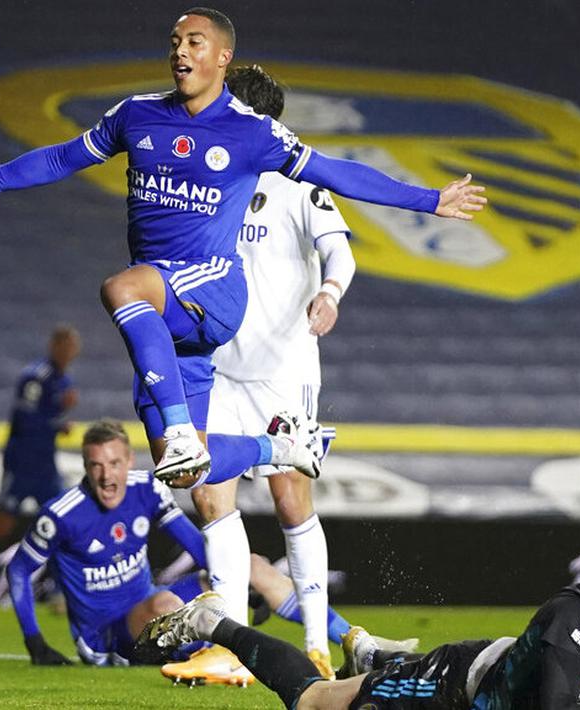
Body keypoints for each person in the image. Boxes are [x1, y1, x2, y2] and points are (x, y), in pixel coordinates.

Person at [0, 7, 487, 492]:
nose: (180, 51)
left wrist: (430, 200)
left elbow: (335, 171)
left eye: (195, 41)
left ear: (222, 59)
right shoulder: (135, 116)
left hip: (212, 287)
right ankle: (281, 444)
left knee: (120, 288)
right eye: (175, 40)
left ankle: (185, 427)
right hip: (165, 313)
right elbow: (60, 157)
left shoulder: (252, 130)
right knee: (182, 467)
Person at [137, 517, 580, 710]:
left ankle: (372, 655)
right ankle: (212, 621)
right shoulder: (571, 617)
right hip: (456, 687)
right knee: (316, 702)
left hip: (491, 681)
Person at [6, 420, 413, 683]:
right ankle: (222, 651)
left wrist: (235, 580)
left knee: (252, 566)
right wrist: (34, 643)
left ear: (128, 460)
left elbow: (199, 549)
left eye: (114, 463)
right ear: (85, 466)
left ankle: (356, 643)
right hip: (107, 635)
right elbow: (20, 571)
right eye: (95, 465)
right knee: (165, 601)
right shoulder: (61, 515)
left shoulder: (145, 489)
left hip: (154, 606)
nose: (106, 474)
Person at [191, 63, 354, 679]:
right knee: (209, 493)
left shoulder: (299, 184)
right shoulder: (209, 183)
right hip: (220, 369)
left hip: (283, 371)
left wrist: (331, 291)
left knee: (289, 497)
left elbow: (339, 246)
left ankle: (316, 644)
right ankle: (230, 646)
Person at [0, 325, 81, 617]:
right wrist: (57, 423)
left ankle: (62, 594)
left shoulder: (62, 379)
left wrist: (59, 422)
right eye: (67, 346)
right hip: (22, 464)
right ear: (55, 345)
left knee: (60, 523)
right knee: (1, 525)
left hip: (46, 465)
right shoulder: (36, 376)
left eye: (74, 348)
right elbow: (26, 420)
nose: (71, 353)